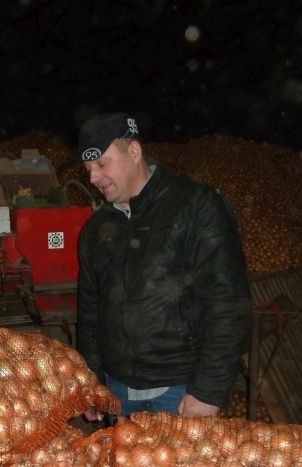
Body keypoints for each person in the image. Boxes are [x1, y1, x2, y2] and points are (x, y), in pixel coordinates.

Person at [75, 113, 251, 420]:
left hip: (181, 390)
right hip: (117, 392)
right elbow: (89, 313)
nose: (93, 177)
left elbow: (228, 302)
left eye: (102, 164)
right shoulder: (96, 229)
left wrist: (208, 391)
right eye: (89, 168)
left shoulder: (195, 206)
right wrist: (91, 384)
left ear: (134, 152)